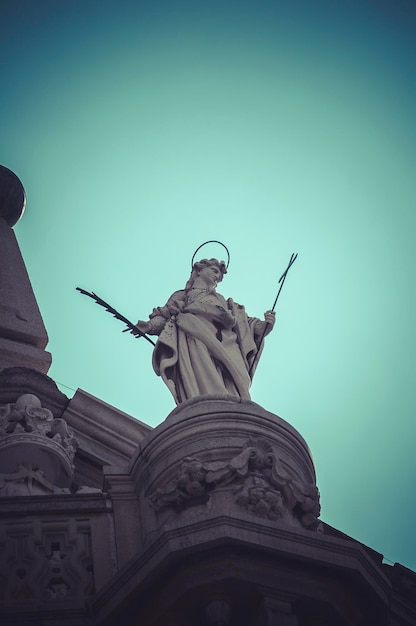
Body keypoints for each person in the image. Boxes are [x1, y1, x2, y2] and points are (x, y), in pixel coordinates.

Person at [135, 258, 275, 404]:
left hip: (227, 344)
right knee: (204, 381)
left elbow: (244, 323)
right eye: (214, 271)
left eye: (220, 277)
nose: (217, 277)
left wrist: (264, 325)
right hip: (195, 340)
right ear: (199, 270)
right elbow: (166, 315)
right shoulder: (183, 296)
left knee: (234, 382)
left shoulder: (224, 301)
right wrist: (149, 326)